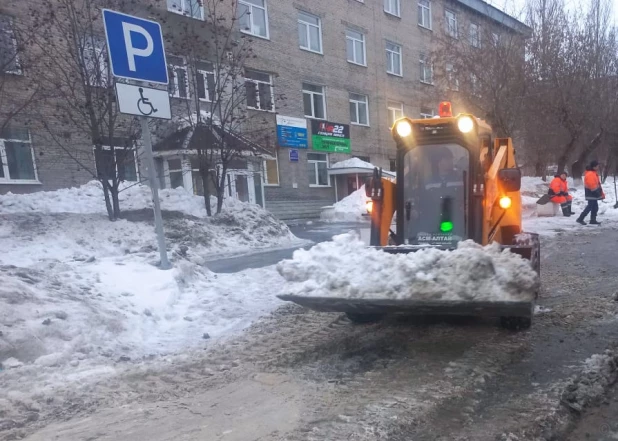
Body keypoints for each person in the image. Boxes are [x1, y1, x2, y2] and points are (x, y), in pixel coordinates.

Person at [576, 160, 605, 225]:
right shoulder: (590, 174)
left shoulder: (593, 173)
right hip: (591, 193)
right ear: (594, 167)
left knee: (595, 207)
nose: (598, 167)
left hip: (592, 193)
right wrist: (596, 192)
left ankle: (592, 220)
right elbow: (591, 184)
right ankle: (580, 219)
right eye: (597, 166)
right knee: (590, 207)